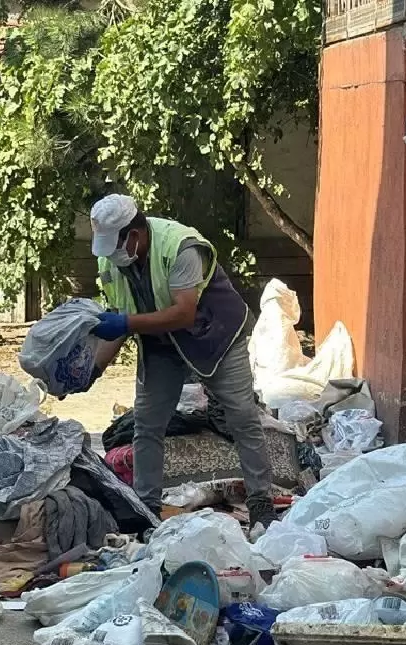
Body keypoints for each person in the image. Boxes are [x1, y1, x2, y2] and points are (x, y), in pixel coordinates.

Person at [87, 194, 278, 530]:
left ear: (135, 234)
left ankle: (261, 502)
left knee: (242, 416)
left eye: (115, 244)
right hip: (162, 343)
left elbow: (183, 312)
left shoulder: (181, 247)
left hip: (215, 336)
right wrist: (93, 370)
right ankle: (145, 510)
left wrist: (127, 324)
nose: (112, 256)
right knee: (147, 425)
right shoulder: (110, 262)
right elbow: (118, 319)